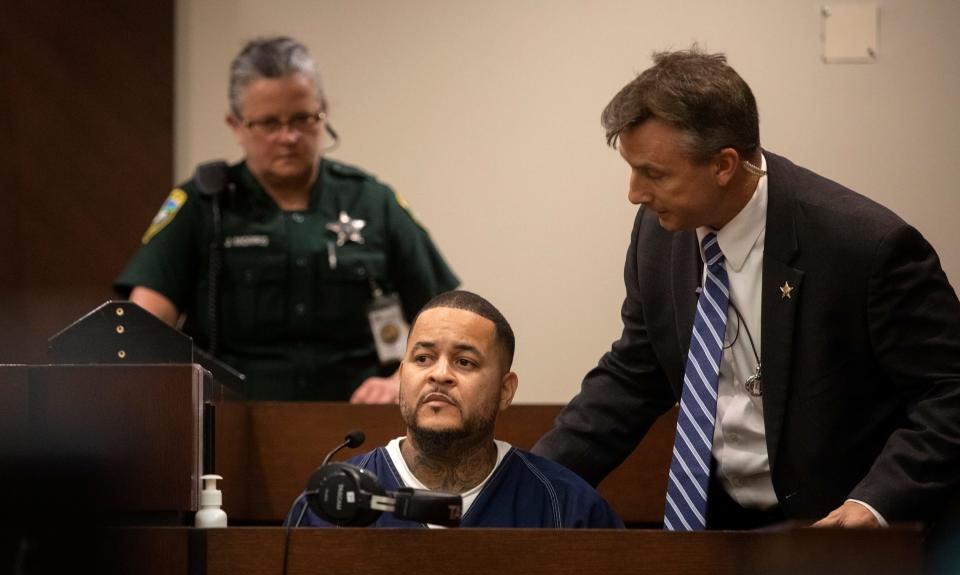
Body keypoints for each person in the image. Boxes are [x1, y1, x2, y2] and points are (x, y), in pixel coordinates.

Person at [533, 48, 960, 530]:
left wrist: (874, 504)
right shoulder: (657, 234)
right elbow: (635, 373)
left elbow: (948, 393)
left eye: (653, 173)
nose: (634, 193)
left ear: (724, 165)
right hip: (721, 531)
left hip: (843, 536)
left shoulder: (867, 247)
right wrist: (531, 483)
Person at [114, 37, 458, 402]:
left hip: (357, 422)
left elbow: (448, 316)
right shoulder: (203, 205)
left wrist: (401, 378)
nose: (289, 137)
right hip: (231, 420)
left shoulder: (372, 201)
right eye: (268, 123)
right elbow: (143, 326)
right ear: (235, 125)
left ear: (323, 113)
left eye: (303, 119)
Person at [286, 290, 624, 528]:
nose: (440, 375)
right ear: (403, 377)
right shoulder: (332, 501)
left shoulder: (569, 507)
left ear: (505, 391)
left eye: (464, 362)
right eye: (423, 359)